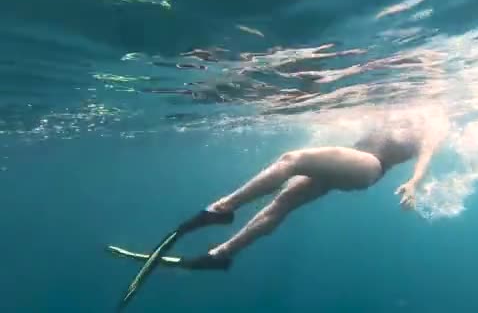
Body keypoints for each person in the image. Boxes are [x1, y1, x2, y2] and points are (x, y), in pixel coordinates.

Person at [111, 120, 443, 309]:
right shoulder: (399, 105)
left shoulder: (434, 122)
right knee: (281, 203)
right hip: (353, 162)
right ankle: (221, 255)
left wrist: (413, 184)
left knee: (291, 159)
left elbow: (426, 156)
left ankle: (223, 208)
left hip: (369, 167)